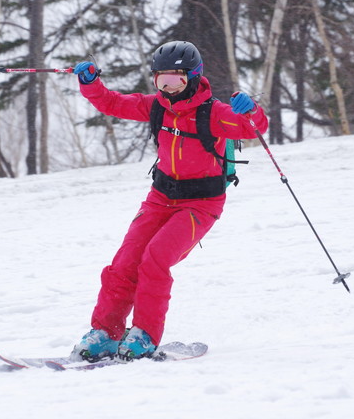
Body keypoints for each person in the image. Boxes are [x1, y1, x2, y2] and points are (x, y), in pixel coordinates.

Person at [71, 40, 268, 362]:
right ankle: (105, 333)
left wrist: (253, 111)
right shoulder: (155, 106)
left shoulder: (214, 113)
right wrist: (91, 83)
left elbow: (250, 129)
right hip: (160, 196)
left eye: (175, 78)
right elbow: (112, 103)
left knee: (155, 259)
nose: (167, 86)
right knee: (123, 264)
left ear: (192, 77)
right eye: (161, 79)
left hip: (201, 203)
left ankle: (145, 335)